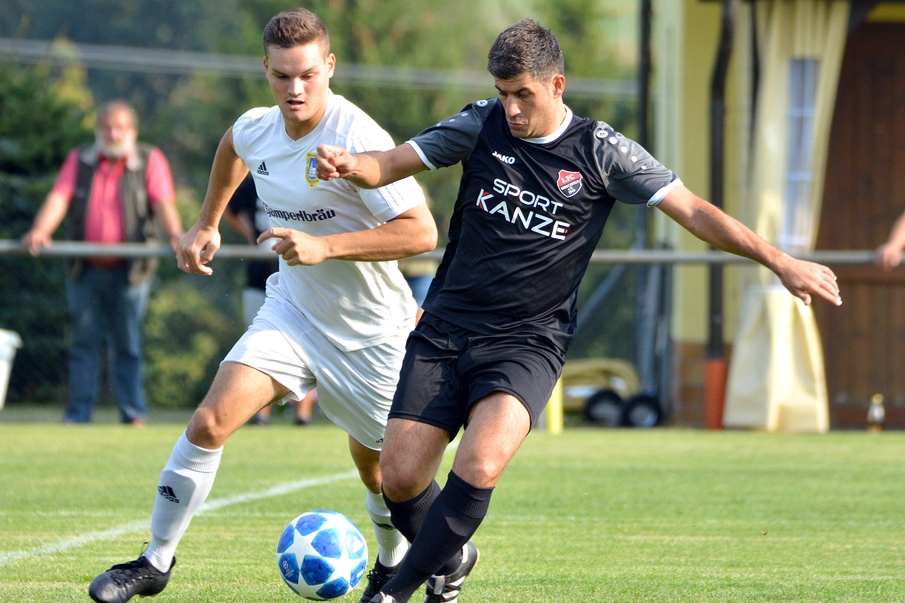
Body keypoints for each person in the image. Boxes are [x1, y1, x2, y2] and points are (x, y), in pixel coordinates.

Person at [316, 18, 844, 603]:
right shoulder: (480, 124)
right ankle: (454, 558)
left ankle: (396, 592)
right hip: (445, 328)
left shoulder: (602, 151)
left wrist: (779, 260)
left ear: (557, 84)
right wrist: (351, 164)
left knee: (481, 463)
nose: (512, 108)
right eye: (503, 93)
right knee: (399, 477)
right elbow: (390, 164)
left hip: (528, 341)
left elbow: (694, 211)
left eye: (523, 94)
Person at [87, 9, 437, 603]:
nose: (294, 89)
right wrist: (207, 223)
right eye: (281, 76)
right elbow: (233, 145)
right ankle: (155, 561)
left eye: (307, 74)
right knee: (209, 422)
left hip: (373, 332)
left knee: (380, 470)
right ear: (265, 70)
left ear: (329, 66)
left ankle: (391, 561)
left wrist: (325, 247)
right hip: (292, 315)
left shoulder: (359, 138)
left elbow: (422, 232)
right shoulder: (257, 126)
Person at [20, 100, 183, 426]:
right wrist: (40, 230)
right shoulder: (80, 158)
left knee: (128, 344)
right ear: (98, 130)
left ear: (132, 132)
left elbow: (163, 202)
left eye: (120, 127)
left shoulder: (149, 159)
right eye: (106, 127)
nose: (113, 134)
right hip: (86, 268)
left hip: (131, 270)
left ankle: (133, 413)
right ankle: (78, 415)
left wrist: (177, 235)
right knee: (83, 343)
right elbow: (59, 197)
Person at [221, 174, 316, 426]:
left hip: (299, 273)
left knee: (306, 341)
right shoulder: (255, 180)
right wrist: (250, 234)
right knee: (258, 342)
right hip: (259, 274)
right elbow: (229, 209)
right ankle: (261, 413)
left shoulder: (303, 176)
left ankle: (302, 413)